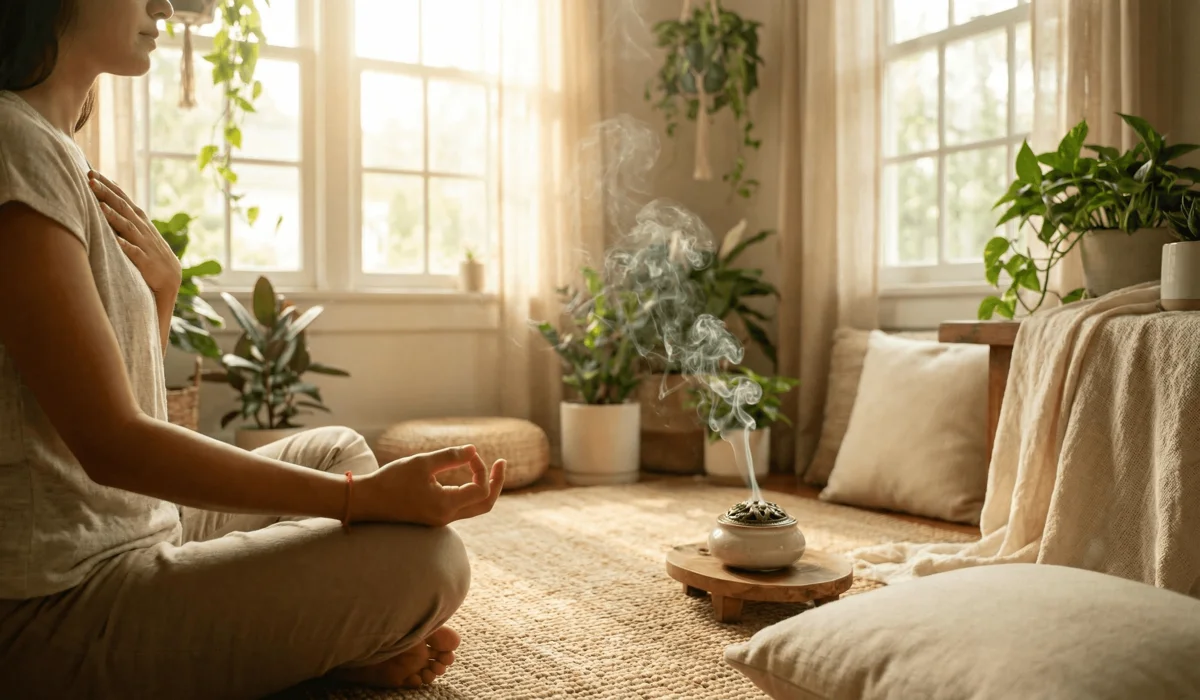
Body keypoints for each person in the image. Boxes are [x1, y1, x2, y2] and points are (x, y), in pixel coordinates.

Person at [0, 1, 508, 697]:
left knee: (332, 448)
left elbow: (107, 412)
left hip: (136, 527)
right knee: (429, 562)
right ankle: (318, 646)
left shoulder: (56, 151)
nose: (165, 7)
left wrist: (161, 297)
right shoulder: (12, 142)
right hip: (59, 607)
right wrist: (358, 501)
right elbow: (110, 445)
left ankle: (313, 643)